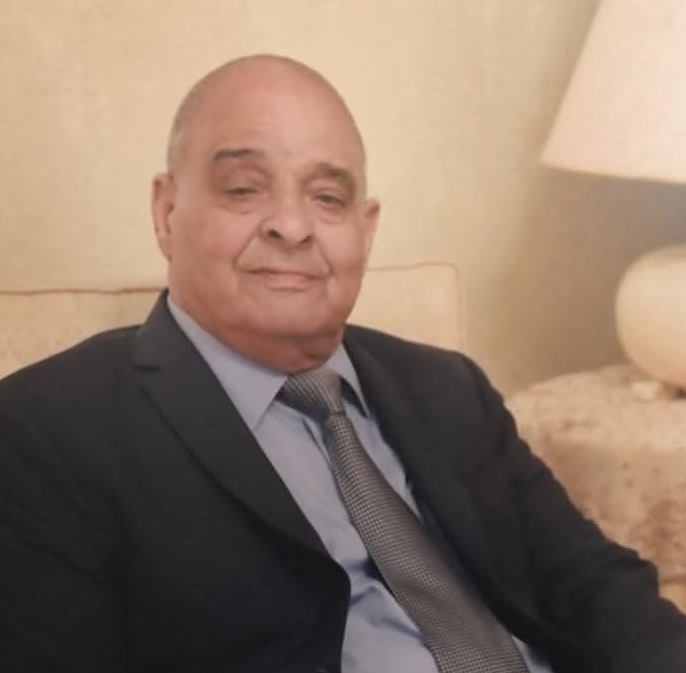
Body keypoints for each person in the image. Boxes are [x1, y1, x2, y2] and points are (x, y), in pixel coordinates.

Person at [0, 54, 684, 673]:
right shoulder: (48, 431)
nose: (292, 226)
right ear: (166, 211)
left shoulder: (448, 387)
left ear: (366, 228)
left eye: (326, 198)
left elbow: (595, 586)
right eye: (244, 189)